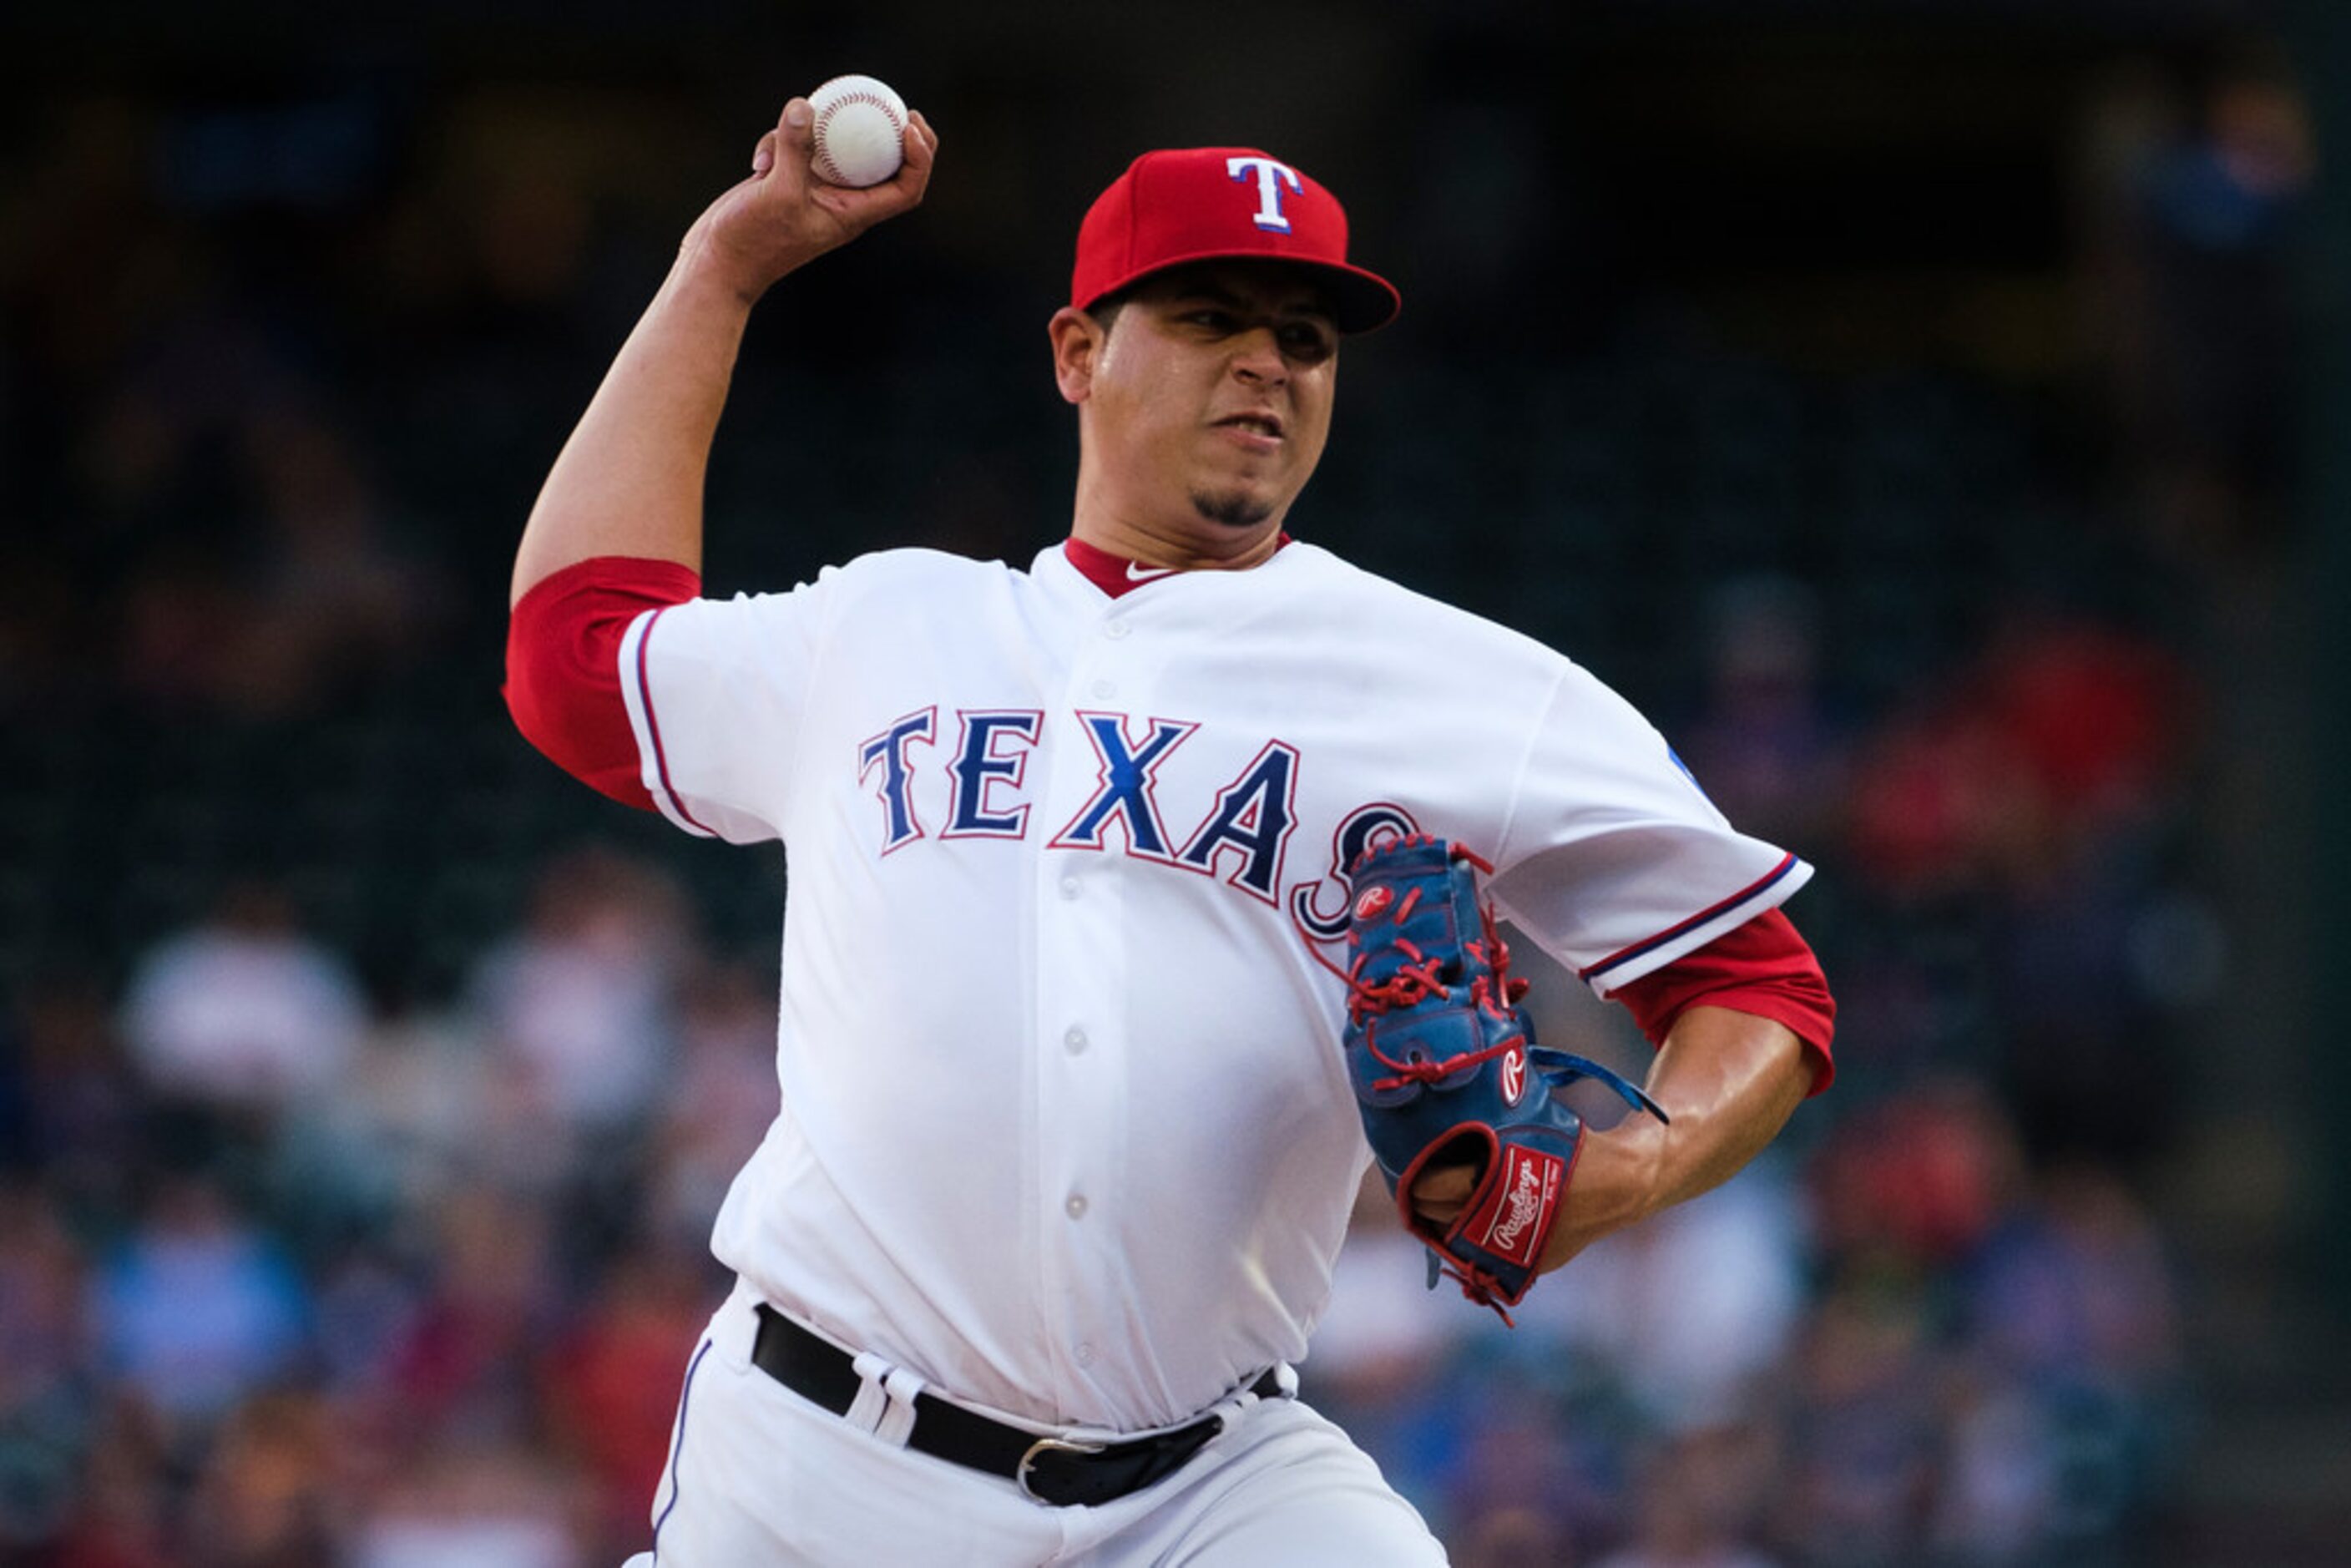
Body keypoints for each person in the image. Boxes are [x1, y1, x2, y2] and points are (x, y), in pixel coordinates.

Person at [503, 92, 1836, 1565]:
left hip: (1207, 1486)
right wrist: (722, 271)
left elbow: (1760, 985)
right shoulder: (890, 624)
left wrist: (1633, 1167)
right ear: (1078, 352)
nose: (1268, 361)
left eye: (1308, 337)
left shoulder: (1457, 684)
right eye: (1209, 316)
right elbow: (573, 662)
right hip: (822, 1461)